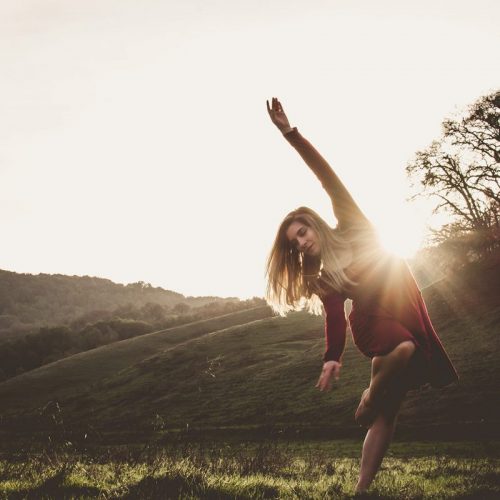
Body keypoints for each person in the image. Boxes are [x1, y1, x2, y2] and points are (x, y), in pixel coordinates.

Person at [265, 97, 458, 493]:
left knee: (389, 411)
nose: (301, 244)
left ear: (314, 225)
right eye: (294, 243)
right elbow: (334, 317)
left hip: (406, 303)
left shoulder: (353, 223)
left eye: (302, 233)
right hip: (372, 322)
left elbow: (326, 175)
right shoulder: (325, 277)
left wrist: (290, 133)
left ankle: (362, 489)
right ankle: (370, 391)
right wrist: (332, 358)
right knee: (402, 350)